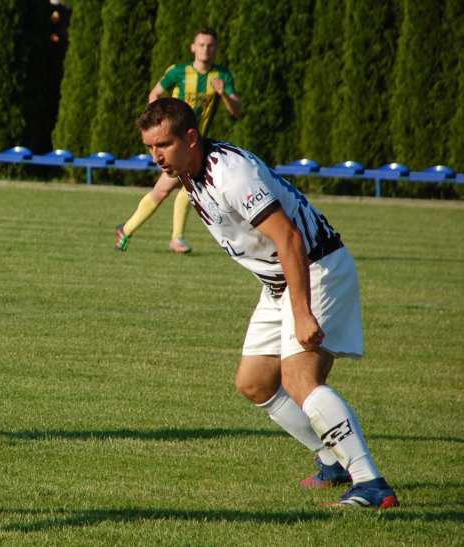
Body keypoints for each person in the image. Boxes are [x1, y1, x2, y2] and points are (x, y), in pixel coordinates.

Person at [135, 98, 399, 509]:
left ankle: (371, 483)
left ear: (190, 138)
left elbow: (289, 238)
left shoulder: (232, 173)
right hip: (277, 281)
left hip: (315, 268)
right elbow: (159, 191)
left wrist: (302, 311)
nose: (156, 156)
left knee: (300, 380)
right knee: (255, 382)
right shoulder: (187, 168)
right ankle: (333, 461)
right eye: (150, 147)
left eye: (163, 145)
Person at [116, 28, 241, 254]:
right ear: (193, 47)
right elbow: (154, 95)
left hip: (196, 145)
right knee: (166, 190)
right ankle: (129, 230)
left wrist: (223, 94)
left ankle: (167, 236)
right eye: (201, 45)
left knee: (186, 187)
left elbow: (237, 111)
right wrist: (159, 127)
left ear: (216, 48)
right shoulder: (178, 72)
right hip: (175, 146)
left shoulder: (221, 77)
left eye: (210, 45)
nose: (205, 49)